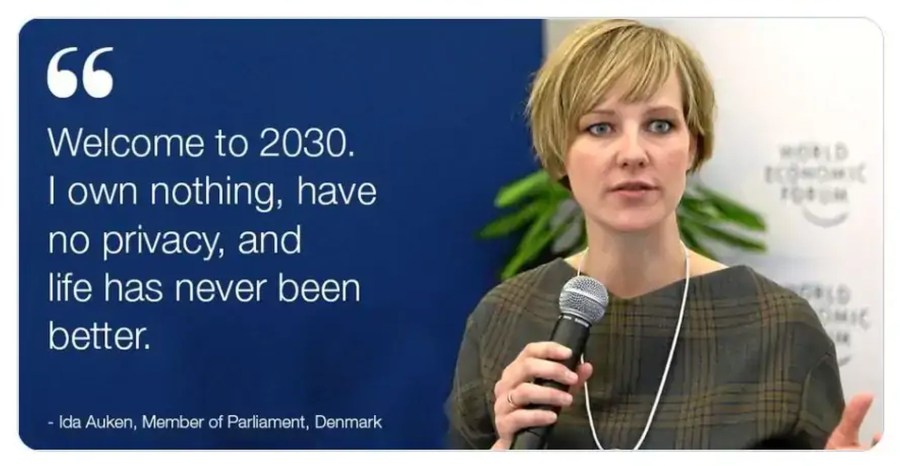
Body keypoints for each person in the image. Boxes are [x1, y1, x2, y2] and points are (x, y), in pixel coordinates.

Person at [444, 19, 880, 450]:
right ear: (559, 154)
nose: (633, 154)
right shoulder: (503, 318)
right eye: (600, 127)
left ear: (693, 146)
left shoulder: (780, 327)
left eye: (659, 125)